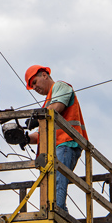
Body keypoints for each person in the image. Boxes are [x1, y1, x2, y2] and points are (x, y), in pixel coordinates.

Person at [24, 65, 88, 212]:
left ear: (44, 75)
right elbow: (41, 135)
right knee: (51, 183)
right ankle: (56, 210)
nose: (34, 87)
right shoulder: (47, 103)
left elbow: (57, 107)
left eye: (34, 82)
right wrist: (26, 138)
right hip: (55, 147)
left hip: (66, 143)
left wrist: (37, 117)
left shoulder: (61, 87)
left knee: (58, 180)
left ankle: (57, 211)